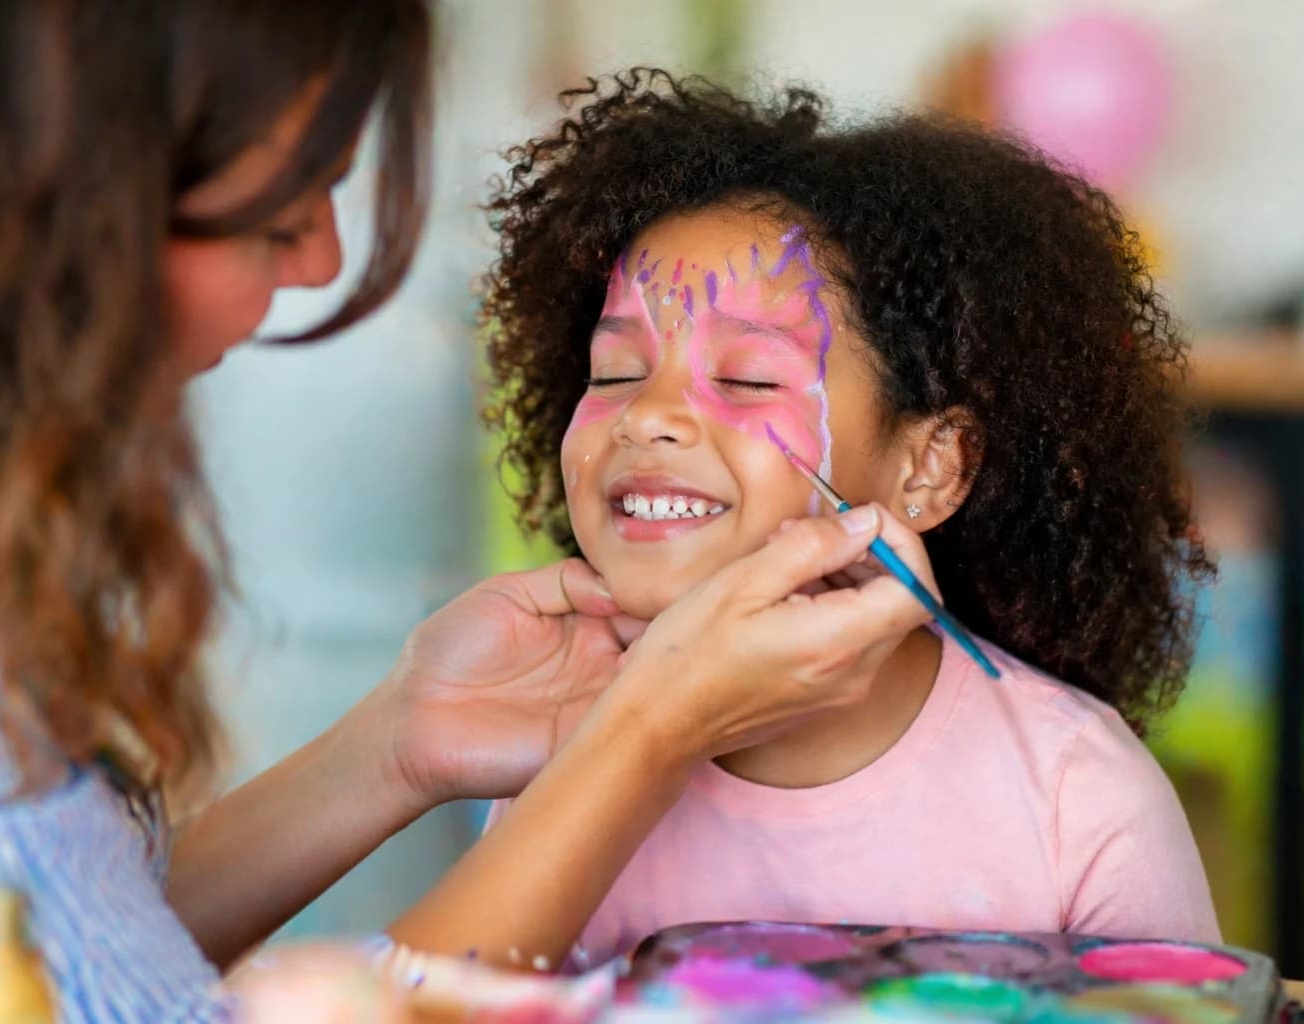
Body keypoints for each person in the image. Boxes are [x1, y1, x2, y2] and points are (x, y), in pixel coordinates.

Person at [0, 9, 942, 1022]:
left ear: (934, 464)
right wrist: (647, 737)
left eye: (748, 381)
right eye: (284, 210)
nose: (322, 259)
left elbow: (85, 950)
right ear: (70, 191)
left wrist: (400, 743)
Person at [481, 69, 1221, 966]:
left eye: (748, 378)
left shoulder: (1076, 796)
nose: (646, 417)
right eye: (615, 374)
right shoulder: (566, 765)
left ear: (930, 466)